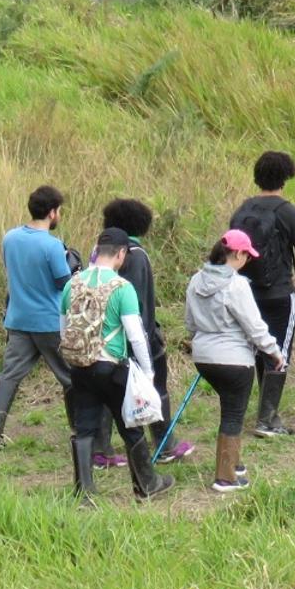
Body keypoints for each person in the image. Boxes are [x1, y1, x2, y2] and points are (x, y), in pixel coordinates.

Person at [60, 227, 173, 501]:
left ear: (97, 250)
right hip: (111, 367)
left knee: (85, 427)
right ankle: (147, 484)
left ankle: (83, 491)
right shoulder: (123, 288)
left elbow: (62, 329)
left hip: (80, 366)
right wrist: (147, 372)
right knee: (130, 426)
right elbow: (136, 334)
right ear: (121, 253)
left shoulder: (71, 284)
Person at [227, 150, 295, 438]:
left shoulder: (242, 211)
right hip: (280, 294)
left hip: (245, 293)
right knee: (278, 352)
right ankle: (267, 418)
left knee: (259, 349)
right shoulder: (288, 211)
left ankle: (263, 412)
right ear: (285, 177)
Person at [91, 198, 195, 468]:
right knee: (156, 389)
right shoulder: (137, 256)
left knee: (105, 394)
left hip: (105, 340)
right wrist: (146, 343)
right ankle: (164, 445)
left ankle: (99, 451)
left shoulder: (99, 255)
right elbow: (139, 305)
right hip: (138, 337)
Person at [186, 229, 288, 492]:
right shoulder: (236, 284)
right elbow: (254, 326)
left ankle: (234, 460)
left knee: (229, 405)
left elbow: (190, 322)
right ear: (238, 253)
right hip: (234, 359)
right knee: (233, 413)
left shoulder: (196, 280)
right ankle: (226, 477)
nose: (247, 261)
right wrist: (275, 352)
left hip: (203, 357)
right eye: (247, 256)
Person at [0, 185, 75, 451]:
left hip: (18, 320)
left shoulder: (10, 238)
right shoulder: (51, 245)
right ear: (52, 212)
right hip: (49, 323)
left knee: (9, 375)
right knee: (70, 377)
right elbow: (63, 284)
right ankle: (80, 431)